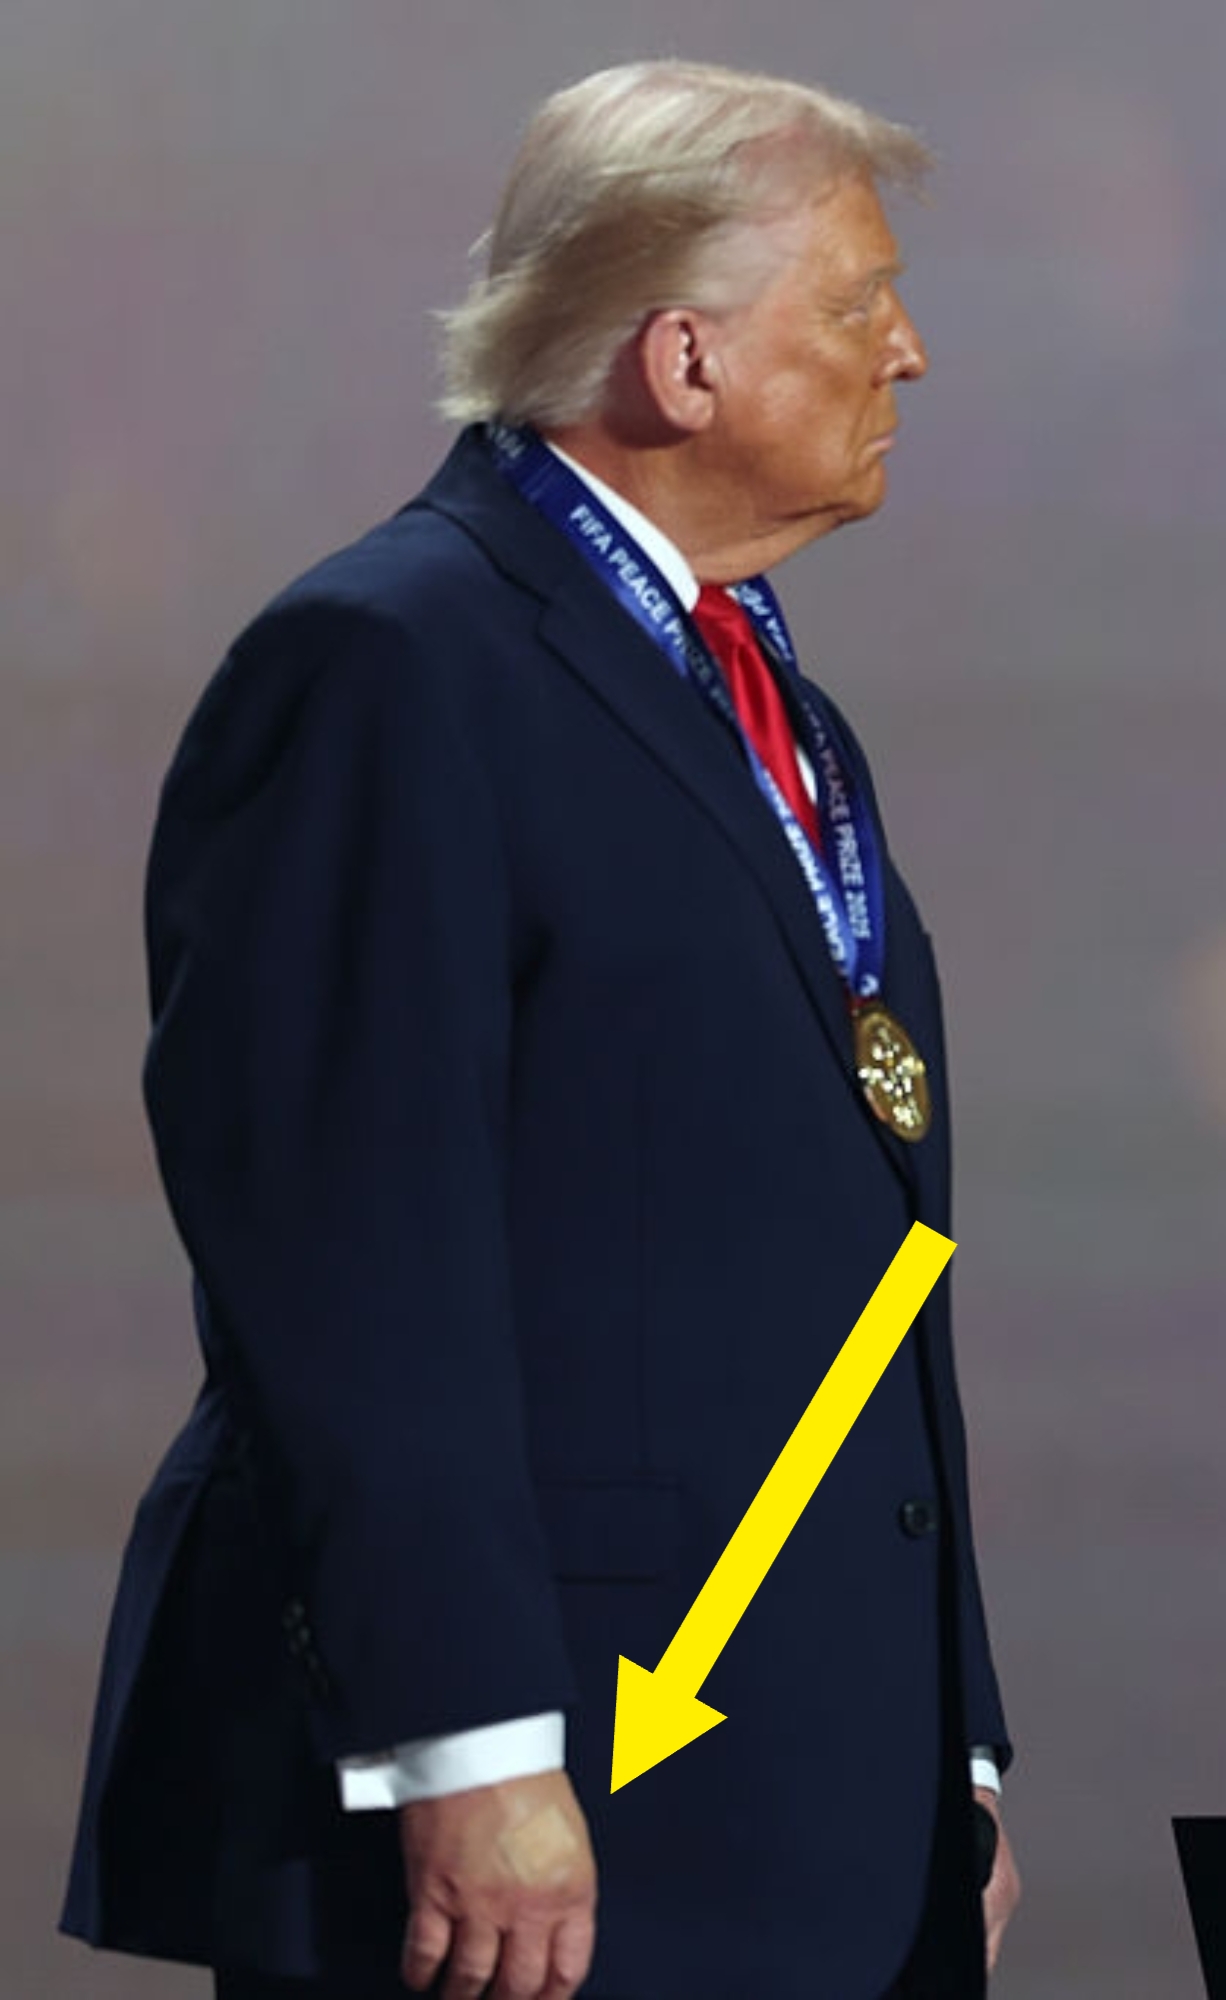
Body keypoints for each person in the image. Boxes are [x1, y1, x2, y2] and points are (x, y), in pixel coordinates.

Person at [63, 62, 1019, 2000]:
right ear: (680, 357)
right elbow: (347, 1255)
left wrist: (953, 1739)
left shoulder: (771, 707)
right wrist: (470, 1747)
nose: (905, 353)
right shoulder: (393, 664)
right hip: (543, 1819)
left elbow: (862, 1270)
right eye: (853, 303)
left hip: (805, 1798)